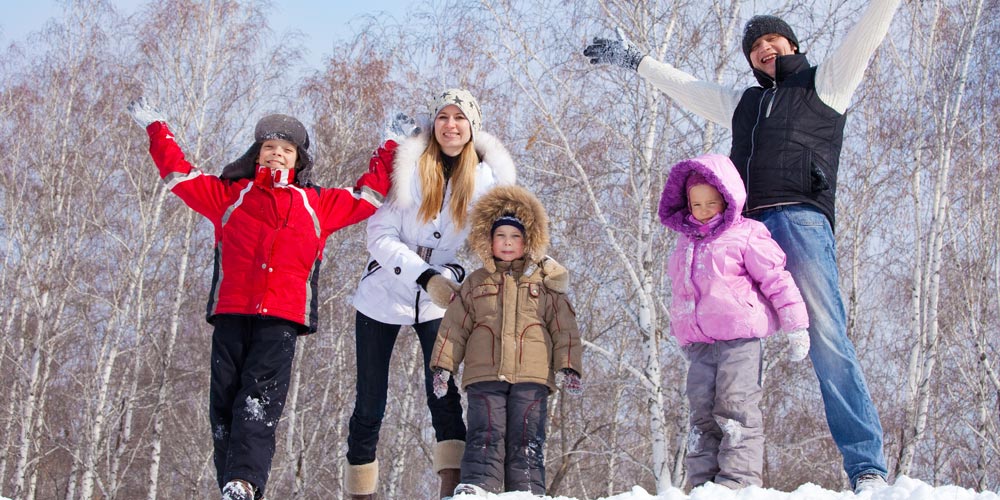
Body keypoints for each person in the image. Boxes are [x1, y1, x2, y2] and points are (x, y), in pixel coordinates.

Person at [583, 0, 901, 492]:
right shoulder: (744, 104)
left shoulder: (826, 83)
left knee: (827, 339)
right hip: (743, 232)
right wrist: (634, 61)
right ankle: (725, 475)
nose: (764, 49)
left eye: (772, 40)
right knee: (723, 340)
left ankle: (867, 467)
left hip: (799, 221)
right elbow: (686, 88)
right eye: (754, 47)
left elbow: (868, 30)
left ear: (792, 46)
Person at [125, 98, 392, 500]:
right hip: (232, 310)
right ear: (257, 155)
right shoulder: (230, 196)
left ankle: (246, 481)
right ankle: (231, 486)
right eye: (269, 148)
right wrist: (156, 126)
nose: (276, 154)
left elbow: (369, 196)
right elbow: (179, 176)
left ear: (298, 162)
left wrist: (390, 145)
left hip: (282, 317)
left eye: (286, 150)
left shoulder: (316, 203)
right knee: (225, 403)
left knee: (258, 400)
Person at [346, 88, 517, 499]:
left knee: (442, 392)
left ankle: (452, 489)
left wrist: (453, 275)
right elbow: (378, 233)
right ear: (434, 123)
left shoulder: (484, 181)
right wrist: (424, 276)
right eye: (443, 117)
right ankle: (359, 492)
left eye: (460, 118)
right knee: (370, 403)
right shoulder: (406, 166)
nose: (451, 125)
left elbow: (486, 246)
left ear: (472, 127)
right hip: (384, 292)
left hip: (440, 299)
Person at [659, 153, 810, 489]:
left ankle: (737, 483)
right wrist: (679, 328)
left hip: (738, 340)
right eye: (695, 204)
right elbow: (683, 291)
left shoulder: (746, 234)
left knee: (735, 408)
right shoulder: (686, 242)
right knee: (702, 413)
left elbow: (776, 278)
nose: (702, 211)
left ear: (728, 199)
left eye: (711, 203)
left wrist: (796, 325)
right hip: (700, 344)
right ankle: (702, 485)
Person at [429, 184, 583, 497]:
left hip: (533, 376)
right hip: (484, 375)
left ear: (529, 240)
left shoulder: (544, 282)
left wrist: (568, 367)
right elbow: (454, 326)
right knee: (485, 433)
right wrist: (443, 366)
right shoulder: (476, 282)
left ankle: (526, 491)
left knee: (526, 437)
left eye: (515, 237)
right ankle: (477, 487)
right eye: (501, 236)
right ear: (489, 240)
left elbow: (564, 327)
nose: (508, 243)